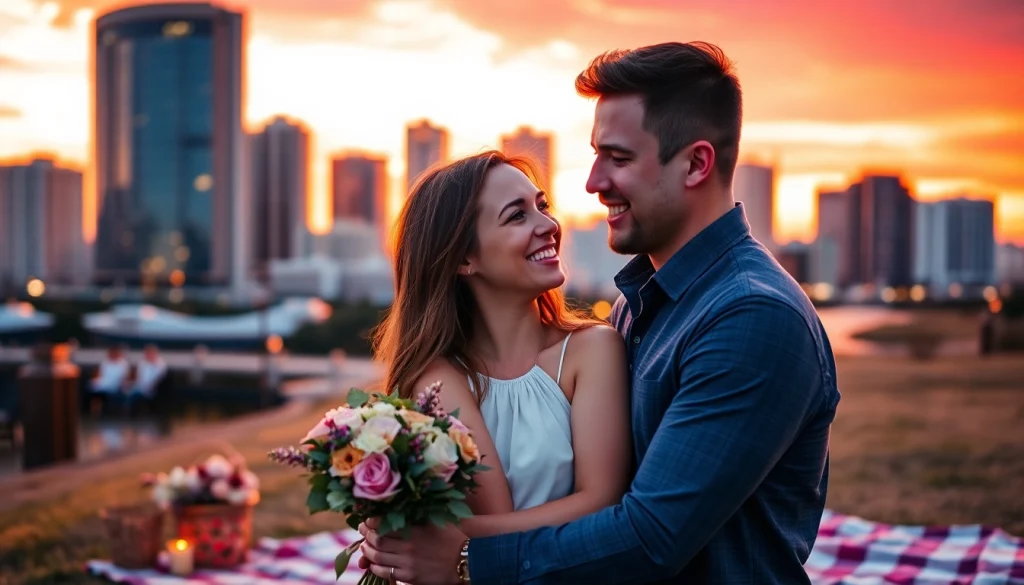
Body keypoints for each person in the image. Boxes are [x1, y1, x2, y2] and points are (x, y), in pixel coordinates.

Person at [358, 41, 841, 584]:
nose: (591, 183)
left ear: (696, 164)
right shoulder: (643, 306)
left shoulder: (751, 317)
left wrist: (465, 560)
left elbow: (650, 536)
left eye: (619, 157)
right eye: (595, 155)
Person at [367, 150, 634, 558]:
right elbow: (499, 518)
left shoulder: (593, 349)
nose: (548, 226)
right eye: (517, 216)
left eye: (542, 207)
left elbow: (601, 503)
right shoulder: (438, 380)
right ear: (463, 259)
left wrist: (445, 542)